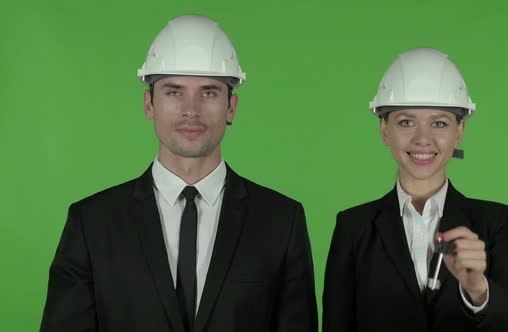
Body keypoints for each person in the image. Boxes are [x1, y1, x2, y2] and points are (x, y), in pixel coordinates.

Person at [40, 15, 317, 332]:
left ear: (231, 107)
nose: (191, 109)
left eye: (209, 92)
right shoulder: (92, 224)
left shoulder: (281, 221)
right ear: (149, 104)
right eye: (174, 91)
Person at [322, 48, 508, 331]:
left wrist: (478, 290)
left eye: (439, 123)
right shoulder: (353, 228)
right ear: (384, 130)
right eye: (406, 122)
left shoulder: (497, 223)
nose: (423, 139)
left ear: (459, 132)